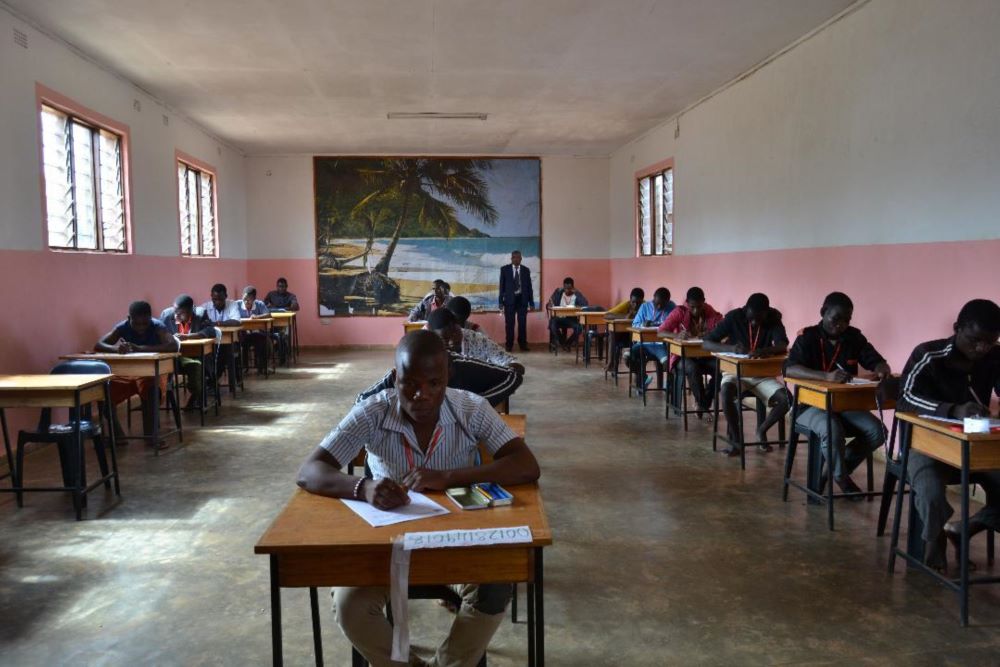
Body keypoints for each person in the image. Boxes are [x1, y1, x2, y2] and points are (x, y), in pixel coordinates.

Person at [297, 331, 540, 667]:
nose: (420, 394)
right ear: (395, 377)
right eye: (409, 382)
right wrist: (363, 487)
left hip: (457, 541)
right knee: (349, 603)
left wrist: (448, 477)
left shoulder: (471, 408)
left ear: (447, 378)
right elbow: (310, 470)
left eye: (433, 383)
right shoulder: (372, 411)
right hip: (388, 544)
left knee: (496, 587)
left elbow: (526, 464)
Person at [896, 298, 1000, 571]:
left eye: (989, 342)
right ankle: (935, 537)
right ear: (957, 328)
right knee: (930, 493)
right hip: (925, 446)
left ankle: (964, 528)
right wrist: (952, 410)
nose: (981, 348)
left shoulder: (994, 356)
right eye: (975, 339)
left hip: (973, 448)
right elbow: (905, 398)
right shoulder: (929, 355)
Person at [784, 292, 892, 496]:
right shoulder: (807, 337)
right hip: (809, 406)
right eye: (836, 319)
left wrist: (882, 367)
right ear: (823, 313)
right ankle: (841, 477)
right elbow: (788, 369)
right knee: (832, 429)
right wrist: (825, 376)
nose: (841, 325)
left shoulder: (854, 337)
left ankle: (838, 470)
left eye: (846, 320)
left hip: (844, 404)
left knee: (877, 431)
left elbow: (875, 360)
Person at [703, 293, 790, 456]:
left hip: (761, 375)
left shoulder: (773, 318)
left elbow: (782, 345)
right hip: (736, 372)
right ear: (745, 310)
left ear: (767, 312)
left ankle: (761, 430)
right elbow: (707, 343)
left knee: (786, 400)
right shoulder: (734, 317)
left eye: (759, 318)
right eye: (752, 318)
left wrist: (764, 351)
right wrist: (731, 348)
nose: (755, 322)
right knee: (726, 394)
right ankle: (737, 441)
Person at [95, 301, 178, 436]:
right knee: (105, 393)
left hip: (152, 373)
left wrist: (141, 348)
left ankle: (151, 435)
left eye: (145, 323)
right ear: (129, 319)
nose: (141, 328)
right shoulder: (122, 327)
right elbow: (99, 345)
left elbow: (173, 345)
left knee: (151, 392)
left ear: (150, 318)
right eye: (136, 324)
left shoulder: (157, 326)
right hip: (128, 373)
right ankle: (117, 436)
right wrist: (116, 349)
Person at [658, 287, 723, 415]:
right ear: (687, 303)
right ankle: (703, 403)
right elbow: (660, 332)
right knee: (693, 368)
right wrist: (676, 336)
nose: (696, 311)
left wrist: (712, 332)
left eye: (699, 307)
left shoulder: (708, 310)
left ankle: (705, 401)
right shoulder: (679, 311)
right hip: (681, 356)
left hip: (703, 355)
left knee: (721, 367)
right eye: (692, 307)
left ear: (704, 302)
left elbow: (721, 323)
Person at [159, 294, 216, 410]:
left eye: (180, 313)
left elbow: (211, 331)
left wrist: (189, 336)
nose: (176, 315)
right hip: (173, 357)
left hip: (194, 356)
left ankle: (197, 395)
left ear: (190, 311)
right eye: (175, 311)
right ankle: (162, 399)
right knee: (159, 373)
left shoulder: (200, 315)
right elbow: (158, 332)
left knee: (195, 375)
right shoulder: (166, 315)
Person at [427, 308, 524, 375]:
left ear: (459, 326)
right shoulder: (426, 348)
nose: (452, 341)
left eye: (455, 333)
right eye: (445, 339)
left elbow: (514, 363)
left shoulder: (476, 339)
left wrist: (494, 373)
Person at [629, 287, 675, 391]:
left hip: (661, 344)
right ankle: (644, 377)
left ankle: (669, 386)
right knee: (628, 357)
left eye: (661, 304)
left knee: (668, 363)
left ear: (667, 302)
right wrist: (643, 324)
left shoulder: (672, 308)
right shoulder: (645, 307)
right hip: (644, 343)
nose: (658, 306)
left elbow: (676, 326)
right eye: (656, 302)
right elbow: (634, 325)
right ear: (653, 298)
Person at [498, 250, 534, 352]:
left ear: (521, 259)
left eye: (518, 257)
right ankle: (509, 345)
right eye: (514, 257)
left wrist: (531, 302)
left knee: (522, 324)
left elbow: (529, 287)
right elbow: (501, 287)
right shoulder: (505, 269)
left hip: (522, 300)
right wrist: (500, 302)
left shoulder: (526, 270)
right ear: (511, 258)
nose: (516, 259)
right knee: (509, 324)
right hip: (509, 301)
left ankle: (523, 344)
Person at [604, 288, 645, 372]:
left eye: (639, 303)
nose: (636, 305)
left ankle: (639, 372)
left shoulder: (645, 306)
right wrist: (625, 316)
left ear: (642, 301)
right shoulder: (626, 304)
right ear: (630, 300)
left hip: (638, 336)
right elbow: (607, 315)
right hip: (624, 334)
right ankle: (611, 363)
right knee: (612, 333)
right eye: (633, 302)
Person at [546, 277, 589, 352]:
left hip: (571, 319)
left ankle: (567, 343)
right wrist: (549, 304)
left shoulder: (576, 294)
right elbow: (549, 304)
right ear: (563, 286)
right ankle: (563, 343)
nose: (567, 290)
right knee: (552, 323)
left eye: (569, 288)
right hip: (559, 318)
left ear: (573, 287)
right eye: (565, 288)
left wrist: (577, 293)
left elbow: (585, 304)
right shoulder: (558, 292)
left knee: (579, 328)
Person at [238, 286, 271, 375]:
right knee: (240, 342)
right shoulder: (237, 304)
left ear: (254, 299)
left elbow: (268, 314)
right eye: (244, 299)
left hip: (257, 334)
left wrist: (257, 317)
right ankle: (244, 367)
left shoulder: (259, 304)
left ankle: (261, 366)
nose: (246, 302)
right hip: (243, 334)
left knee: (263, 341)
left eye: (249, 300)